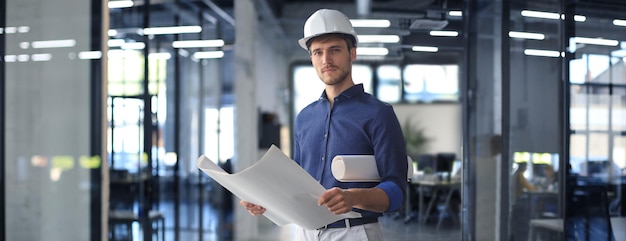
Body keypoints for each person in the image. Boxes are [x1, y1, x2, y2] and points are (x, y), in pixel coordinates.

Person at [240, 8, 408, 241]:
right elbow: (296, 186)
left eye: (334, 50)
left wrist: (353, 197)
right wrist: (266, 202)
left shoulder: (379, 114)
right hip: (306, 234)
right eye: (317, 52)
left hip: (355, 233)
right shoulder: (305, 118)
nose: (326, 60)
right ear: (311, 59)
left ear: (353, 54)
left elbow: (397, 191)